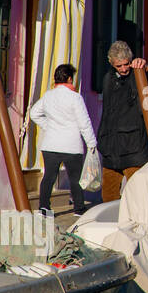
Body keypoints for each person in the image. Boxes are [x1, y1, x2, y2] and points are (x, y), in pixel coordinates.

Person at [97, 41, 148, 203]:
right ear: (112, 64)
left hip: (134, 148)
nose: (124, 68)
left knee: (138, 197)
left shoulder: (139, 74)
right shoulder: (108, 78)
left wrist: (146, 70)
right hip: (111, 148)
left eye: (126, 64)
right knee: (108, 197)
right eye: (119, 66)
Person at [29, 63, 97, 216]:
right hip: (71, 145)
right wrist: (91, 143)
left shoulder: (48, 96)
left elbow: (34, 113)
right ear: (69, 79)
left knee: (49, 177)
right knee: (75, 178)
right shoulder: (75, 98)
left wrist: (48, 126)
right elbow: (84, 122)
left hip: (50, 144)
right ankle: (79, 209)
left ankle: (44, 208)